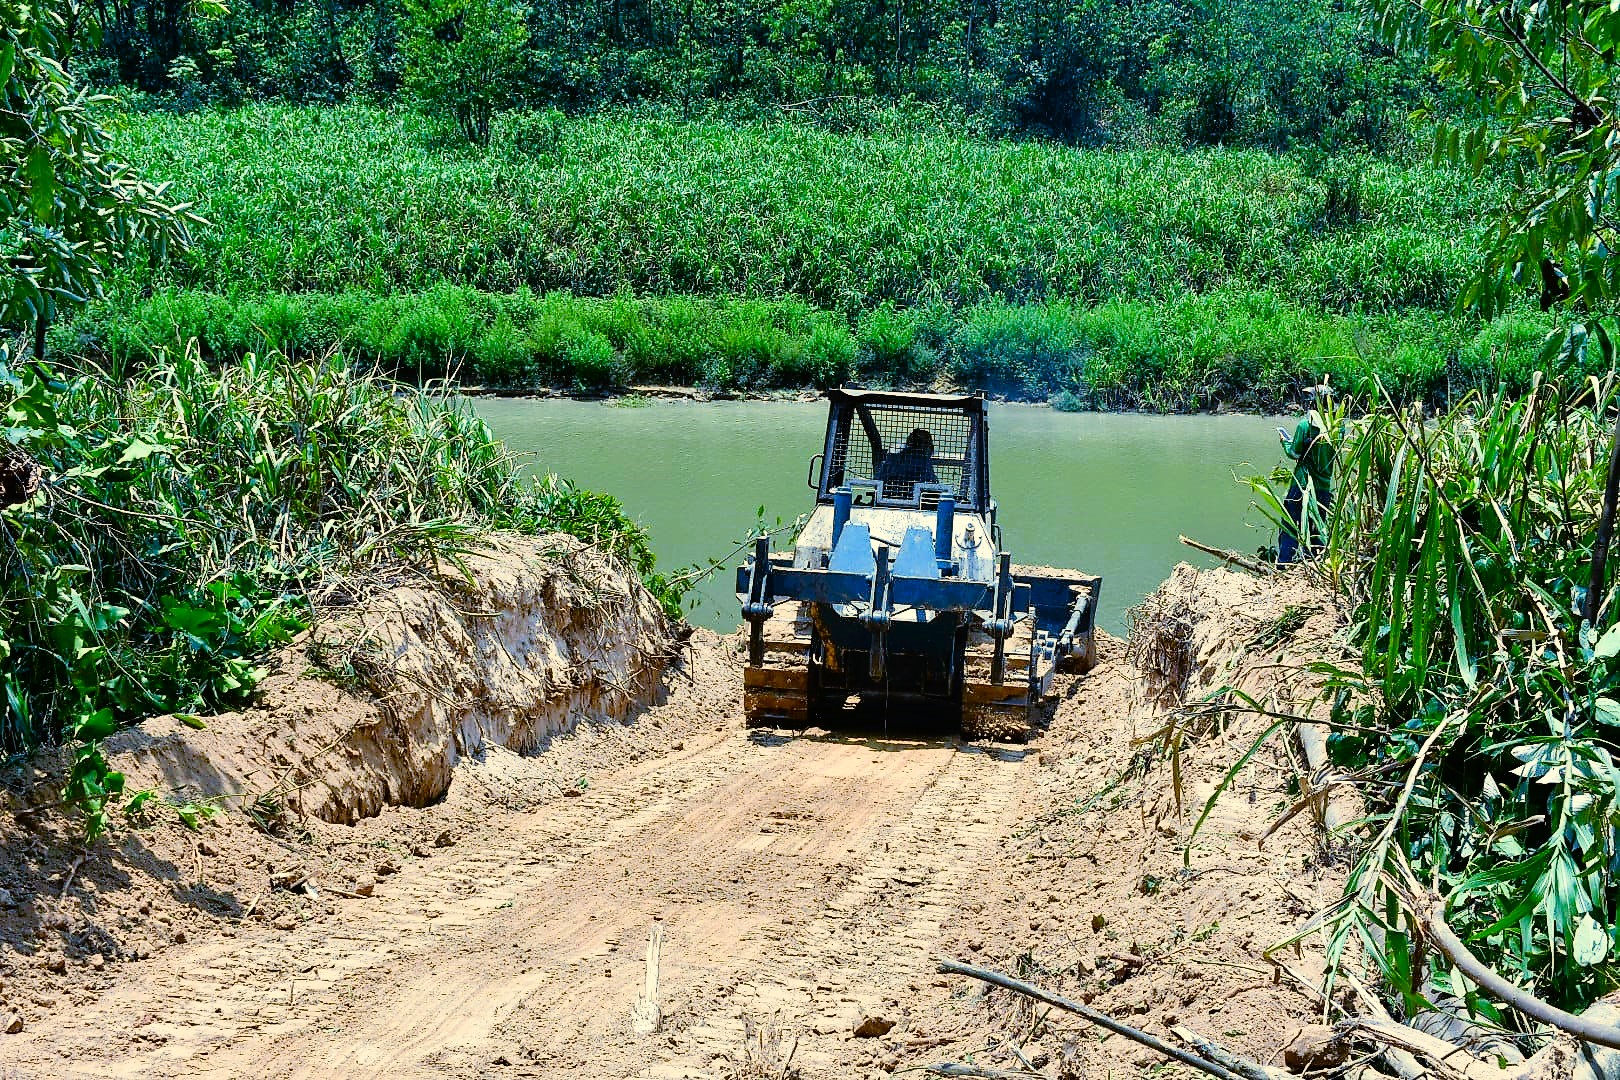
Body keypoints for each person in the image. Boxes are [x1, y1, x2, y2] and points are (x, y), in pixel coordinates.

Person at [1277, 386, 1333, 563]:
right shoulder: (1336, 428)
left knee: (1290, 524)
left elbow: (1294, 453)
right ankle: (1314, 563)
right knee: (1317, 527)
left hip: (1302, 484)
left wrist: (1284, 442)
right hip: (1324, 486)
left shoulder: (1305, 426)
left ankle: (1284, 562)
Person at [876, 427, 938, 499]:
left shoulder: (892, 459)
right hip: (916, 503)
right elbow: (931, 485)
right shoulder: (924, 463)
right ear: (927, 446)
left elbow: (878, 479)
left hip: (887, 499)